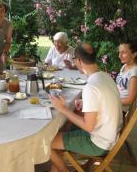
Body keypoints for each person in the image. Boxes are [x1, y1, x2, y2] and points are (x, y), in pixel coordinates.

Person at [49, 43, 123, 172]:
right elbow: (103, 100)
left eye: (74, 60)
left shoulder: (92, 87)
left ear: (78, 61)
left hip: (99, 142)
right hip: (110, 135)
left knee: (46, 142)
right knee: (66, 127)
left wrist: (63, 109)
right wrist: (85, 103)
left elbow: (89, 126)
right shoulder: (105, 76)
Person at [116, 40, 137, 111]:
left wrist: (111, 100)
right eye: (119, 52)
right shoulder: (125, 66)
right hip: (117, 102)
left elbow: (129, 101)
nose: (119, 56)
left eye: (124, 52)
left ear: (134, 54)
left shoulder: (134, 74)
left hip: (121, 110)